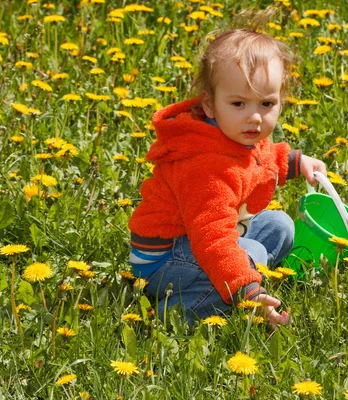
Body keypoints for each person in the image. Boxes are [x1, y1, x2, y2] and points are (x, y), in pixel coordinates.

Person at [128, 24, 326, 327]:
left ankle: (240, 275)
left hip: (201, 236)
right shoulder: (205, 167)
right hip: (165, 260)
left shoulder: (237, 132)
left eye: (267, 103)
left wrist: (295, 163)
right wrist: (247, 289)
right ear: (209, 104)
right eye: (238, 103)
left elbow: (257, 158)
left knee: (281, 225)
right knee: (254, 251)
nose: (255, 116)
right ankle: (178, 312)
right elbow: (213, 239)